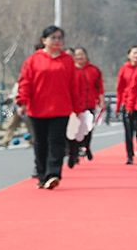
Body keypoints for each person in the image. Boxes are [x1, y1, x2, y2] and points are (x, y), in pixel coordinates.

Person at [16, 26, 78, 189]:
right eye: (53, 38)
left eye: (59, 38)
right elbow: (25, 82)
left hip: (61, 108)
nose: (57, 41)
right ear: (44, 40)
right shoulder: (33, 60)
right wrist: (22, 101)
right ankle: (42, 174)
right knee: (40, 143)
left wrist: (77, 107)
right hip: (37, 108)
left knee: (57, 142)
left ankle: (53, 174)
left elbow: (74, 84)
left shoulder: (67, 60)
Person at [65, 47, 102, 167]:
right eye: (77, 55)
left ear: (86, 56)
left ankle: (87, 146)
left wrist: (100, 100)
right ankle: (73, 154)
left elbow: (99, 87)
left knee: (87, 128)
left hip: (89, 104)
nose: (79, 57)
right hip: (74, 105)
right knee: (73, 130)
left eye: (82, 54)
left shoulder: (94, 70)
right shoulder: (70, 71)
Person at [115, 46, 137, 164]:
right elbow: (120, 88)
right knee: (128, 132)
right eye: (134, 53)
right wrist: (118, 106)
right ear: (129, 55)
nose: (136, 55)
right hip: (127, 103)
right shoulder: (124, 69)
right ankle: (129, 155)